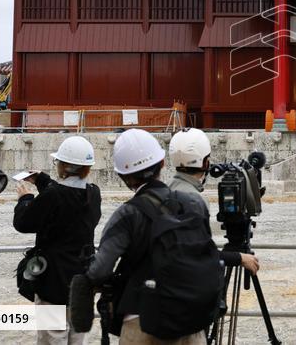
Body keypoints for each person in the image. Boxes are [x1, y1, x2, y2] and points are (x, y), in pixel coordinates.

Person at [84, 128, 214, 345]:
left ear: (123, 176)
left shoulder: (127, 214)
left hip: (142, 319)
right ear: (162, 163)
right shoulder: (195, 204)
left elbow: (100, 269)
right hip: (190, 318)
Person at [13, 135, 102, 345]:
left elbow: (23, 223)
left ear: (63, 165)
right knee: (77, 339)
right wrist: (42, 180)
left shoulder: (53, 196)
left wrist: (25, 199)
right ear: (87, 168)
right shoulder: (94, 194)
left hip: (53, 283)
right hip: (82, 282)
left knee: (52, 338)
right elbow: (65, 197)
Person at [167, 128, 260, 275]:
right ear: (205, 162)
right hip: (185, 283)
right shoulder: (195, 200)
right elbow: (199, 253)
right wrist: (238, 258)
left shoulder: (164, 190)